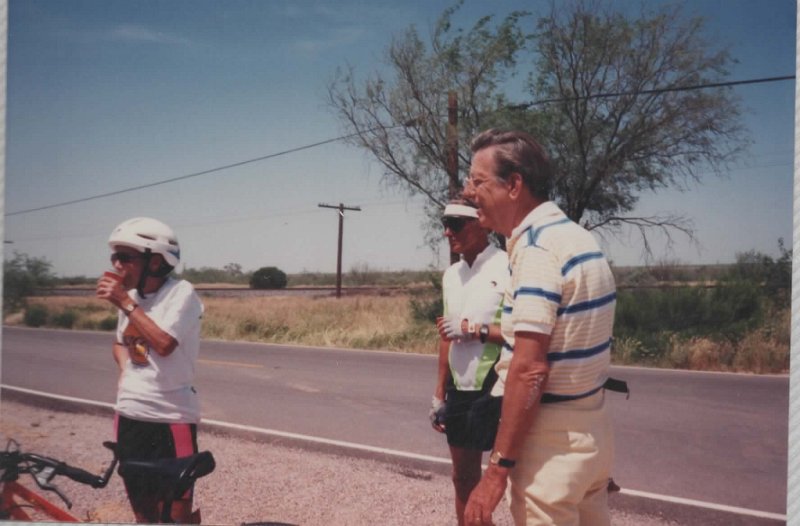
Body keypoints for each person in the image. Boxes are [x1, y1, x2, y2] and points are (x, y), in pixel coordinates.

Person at [462, 129, 618, 526]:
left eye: (477, 181)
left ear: (514, 185)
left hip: (550, 445)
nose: (467, 191)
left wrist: (496, 472)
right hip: (591, 433)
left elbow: (530, 369)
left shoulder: (537, 251)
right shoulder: (580, 239)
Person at [96, 217, 205, 524]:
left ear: (155, 262)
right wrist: (126, 373)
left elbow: (165, 343)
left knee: (175, 513)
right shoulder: (130, 298)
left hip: (169, 417)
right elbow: (120, 343)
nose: (116, 264)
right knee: (142, 511)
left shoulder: (181, 294)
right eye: (113, 257)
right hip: (130, 416)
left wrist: (124, 303)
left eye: (125, 257)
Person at [430, 199, 510, 526]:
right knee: (463, 480)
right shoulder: (452, 275)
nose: (448, 232)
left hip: (498, 387)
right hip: (460, 389)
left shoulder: (507, 266)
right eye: (444, 224)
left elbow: (525, 333)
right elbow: (446, 336)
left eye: (456, 223)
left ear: (481, 223)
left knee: (512, 481)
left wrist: (474, 330)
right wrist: (439, 394)